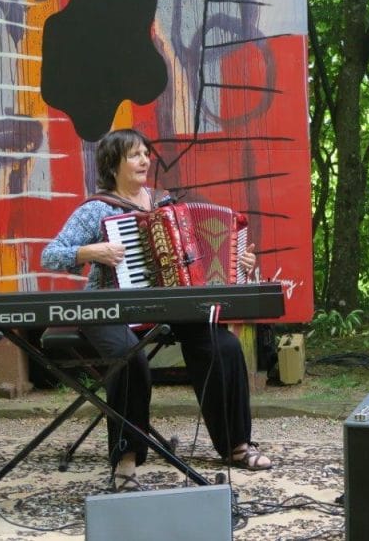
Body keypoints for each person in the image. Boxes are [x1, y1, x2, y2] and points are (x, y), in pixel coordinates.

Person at [41, 128, 271, 492]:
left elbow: (205, 259)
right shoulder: (97, 210)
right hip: (108, 306)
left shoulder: (166, 204)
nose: (144, 160)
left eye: (146, 154)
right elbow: (51, 254)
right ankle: (126, 458)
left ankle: (235, 444)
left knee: (222, 345)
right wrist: (91, 252)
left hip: (168, 303)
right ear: (112, 163)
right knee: (130, 358)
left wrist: (240, 261)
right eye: (134, 155)